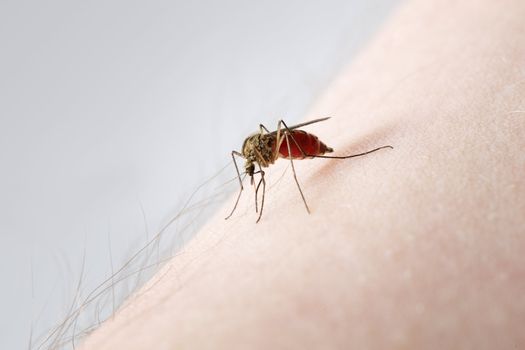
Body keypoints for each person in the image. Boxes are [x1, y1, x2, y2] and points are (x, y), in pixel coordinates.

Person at [80, 0, 525, 348]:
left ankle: (321, 160)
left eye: (255, 170)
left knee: (274, 134)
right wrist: (245, 190)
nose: (254, 170)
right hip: (284, 145)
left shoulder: (270, 148)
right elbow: (245, 156)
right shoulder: (249, 156)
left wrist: (291, 155)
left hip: (298, 145)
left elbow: (268, 138)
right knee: (254, 144)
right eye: (253, 169)